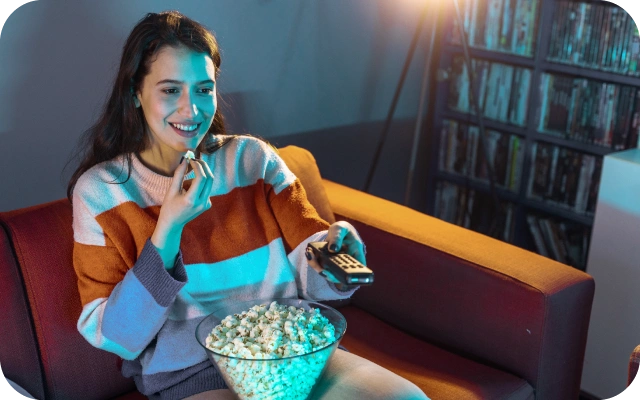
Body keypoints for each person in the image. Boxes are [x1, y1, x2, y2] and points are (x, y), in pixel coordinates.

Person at [67, 10, 429, 400]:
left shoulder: (254, 160)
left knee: (407, 398)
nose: (192, 110)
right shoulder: (101, 193)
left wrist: (335, 258)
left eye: (203, 89)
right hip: (192, 373)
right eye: (170, 90)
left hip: (293, 351)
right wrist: (168, 231)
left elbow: (311, 266)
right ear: (135, 93)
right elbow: (117, 337)